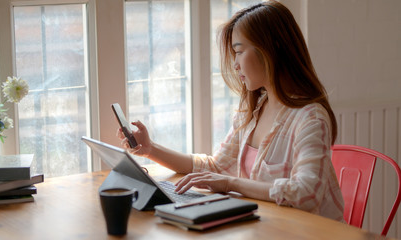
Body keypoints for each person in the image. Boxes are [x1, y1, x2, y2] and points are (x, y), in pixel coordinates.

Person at [118, 1, 344, 221]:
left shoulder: (310, 118)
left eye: (239, 51)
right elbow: (215, 167)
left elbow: (307, 194)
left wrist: (231, 183)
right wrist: (150, 150)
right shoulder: (253, 109)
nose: (235, 65)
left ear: (272, 49)